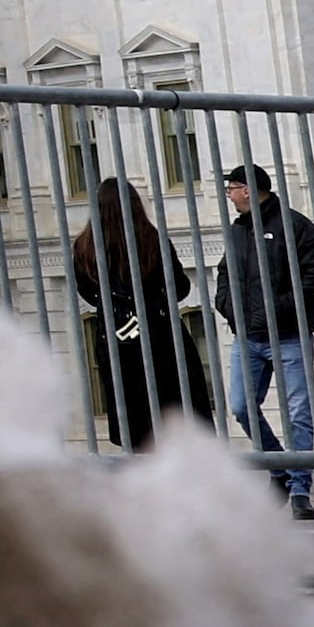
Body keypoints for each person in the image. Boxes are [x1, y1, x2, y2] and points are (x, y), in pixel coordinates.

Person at [217, 162, 314, 520]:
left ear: (250, 190)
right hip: (247, 337)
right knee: (241, 407)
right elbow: (225, 274)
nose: (229, 195)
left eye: (232, 188)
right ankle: (279, 468)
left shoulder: (296, 226)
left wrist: (277, 309)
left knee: (298, 410)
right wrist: (228, 308)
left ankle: (300, 487)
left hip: (288, 335)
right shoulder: (238, 230)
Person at [69, 174, 214, 454]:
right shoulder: (151, 239)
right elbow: (180, 286)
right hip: (158, 331)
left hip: (115, 337)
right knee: (173, 407)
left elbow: (86, 291)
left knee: (133, 418)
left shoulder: (85, 247)